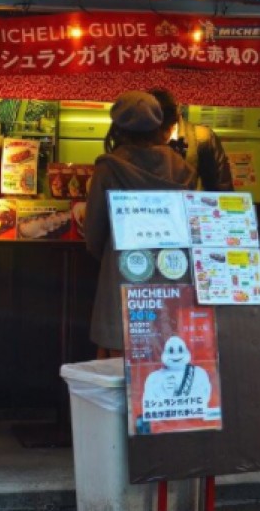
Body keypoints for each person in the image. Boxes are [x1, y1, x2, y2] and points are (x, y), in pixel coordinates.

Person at [84, 91, 197, 356]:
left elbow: (93, 234)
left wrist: (112, 256)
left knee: (118, 354)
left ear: (118, 128)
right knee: (165, 352)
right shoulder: (182, 169)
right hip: (172, 274)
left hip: (122, 271)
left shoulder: (109, 167)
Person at [148, 87, 233, 192]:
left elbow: (222, 187)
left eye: (162, 130)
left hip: (192, 204)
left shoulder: (201, 139)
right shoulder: (138, 137)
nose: (157, 138)